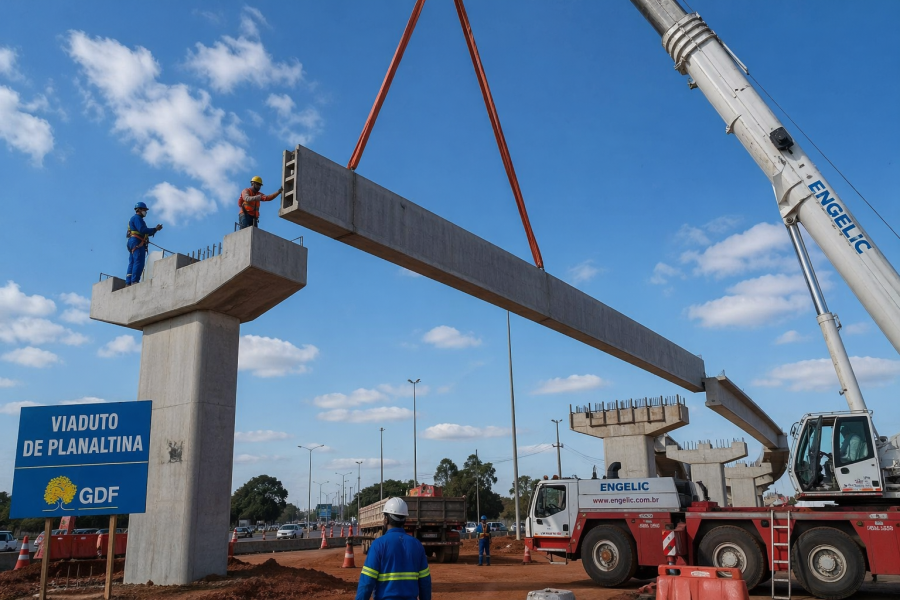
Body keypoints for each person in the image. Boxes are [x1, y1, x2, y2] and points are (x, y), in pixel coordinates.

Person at [356, 497, 431, 600]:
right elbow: (425, 583)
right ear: (405, 519)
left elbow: (367, 583)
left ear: (386, 519)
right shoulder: (417, 545)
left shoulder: (378, 545)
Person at [126, 202, 162, 286]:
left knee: (132, 261)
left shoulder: (132, 219)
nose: (145, 212)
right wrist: (155, 229)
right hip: (137, 242)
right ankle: (134, 281)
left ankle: (128, 282)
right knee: (138, 261)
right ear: (139, 210)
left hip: (132, 241)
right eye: (144, 210)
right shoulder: (137, 218)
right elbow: (142, 230)